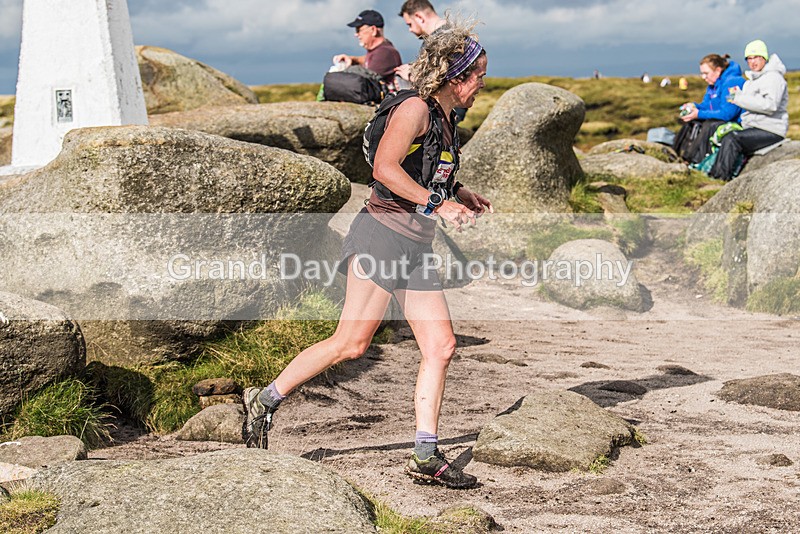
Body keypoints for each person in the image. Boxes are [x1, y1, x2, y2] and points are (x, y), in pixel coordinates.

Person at [242, 21, 493, 490]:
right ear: (456, 75)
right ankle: (265, 400)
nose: (482, 83)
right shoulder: (416, 108)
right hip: (380, 236)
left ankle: (425, 454)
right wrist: (441, 204)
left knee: (441, 346)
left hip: (415, 243)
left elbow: (428, 169)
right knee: (351, 344)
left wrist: (459, 190)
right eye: (478, 74)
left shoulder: (445, 117)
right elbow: (385, 169)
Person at [709, 40, 789, 181]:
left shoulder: (774, 78)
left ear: (764, 58)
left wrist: (739, 99)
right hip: (753, 127)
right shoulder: (752, 80)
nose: (753, 62)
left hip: (771, 130)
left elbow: (770, 106)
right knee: (719, 129)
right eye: (749, 58)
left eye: (756, 57)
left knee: (732, 138)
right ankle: (710, 173)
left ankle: (719, 179)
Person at [672, 54, 745, 164]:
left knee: (709, 124)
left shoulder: (732, 82)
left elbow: (728, 114)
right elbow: (707, 106)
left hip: (736, 124)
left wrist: (699, 113)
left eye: (706, 73)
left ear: (718, 70)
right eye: (702, 73)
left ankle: (694, 160)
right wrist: (694, 106)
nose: (703, 77)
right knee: (692, 121)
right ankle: (677, 153)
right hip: (721, 119)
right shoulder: (713, 85)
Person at [333, 10, 402, 88]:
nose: (356, 34)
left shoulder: (385, 53)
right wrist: (352, 59)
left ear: (373, 30)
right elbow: (368, 60)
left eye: (359, 30)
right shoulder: (379, 50)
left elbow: (364, 80)